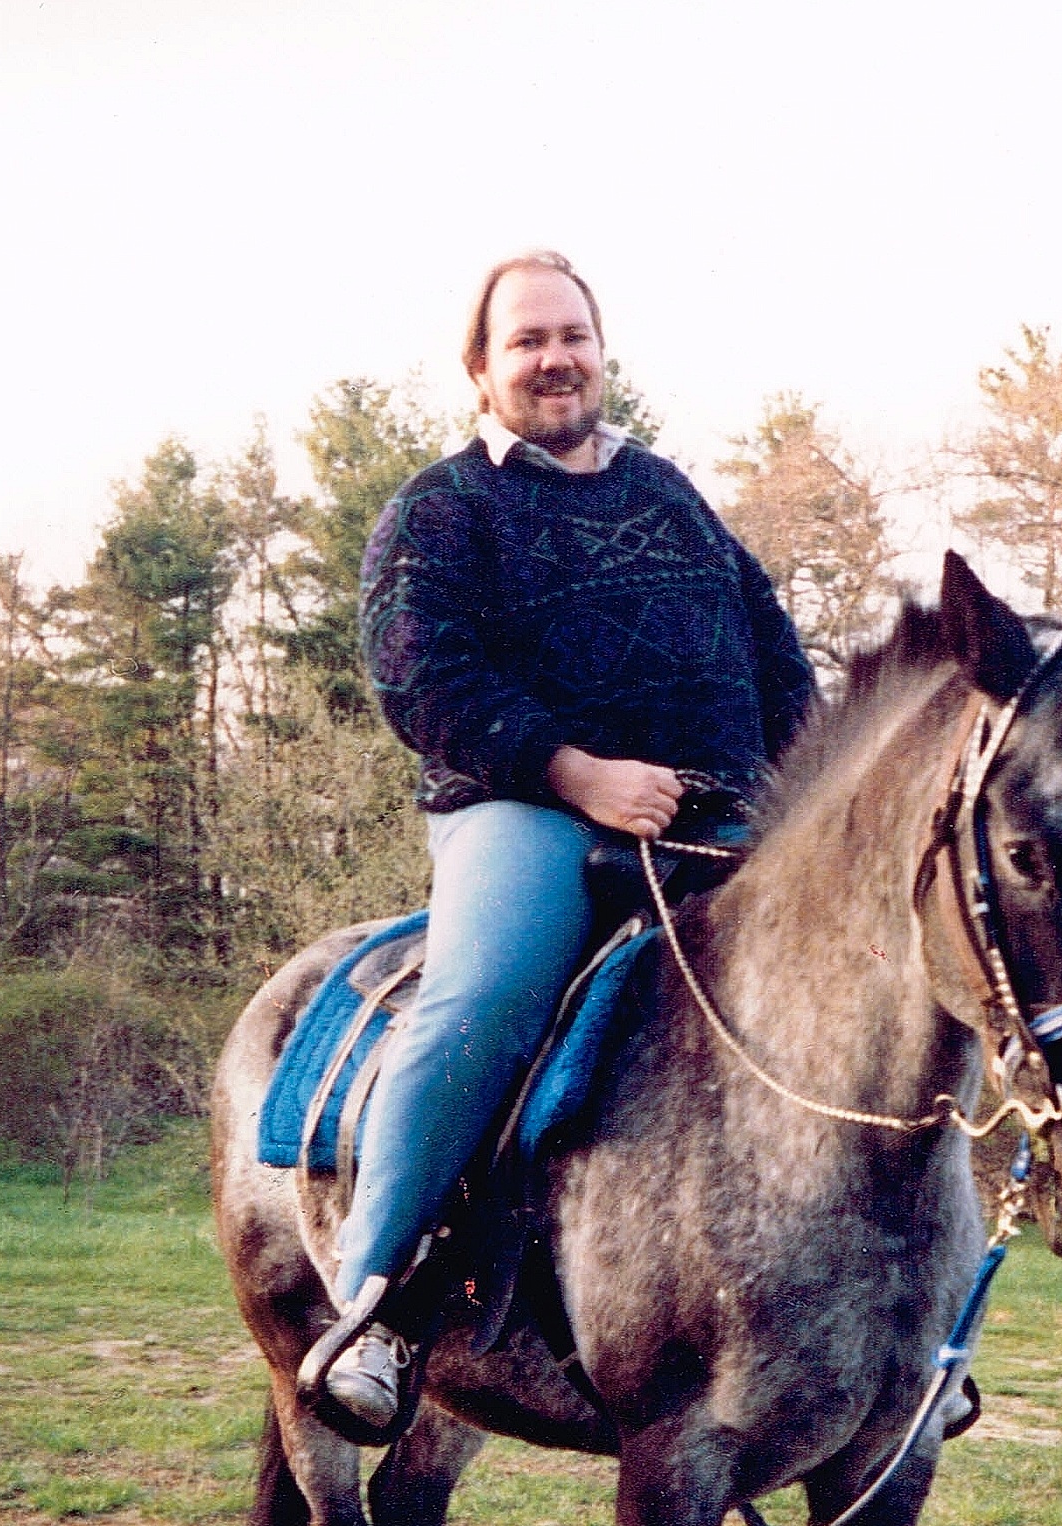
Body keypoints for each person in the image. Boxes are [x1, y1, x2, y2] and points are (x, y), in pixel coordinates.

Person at [304, 251, 815, 1437]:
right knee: (481, 997)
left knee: (861, 982)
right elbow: (421, 676)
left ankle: (883, 1320)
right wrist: (581, 776)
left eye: (572, 334)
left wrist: (808, 789)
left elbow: (773, 652)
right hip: (524, 805)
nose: (555, 357)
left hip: (720, 811)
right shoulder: (437, 511)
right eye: (526, 340)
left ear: (602, 348)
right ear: (481, 369)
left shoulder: (671, 494)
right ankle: (375, 1303)